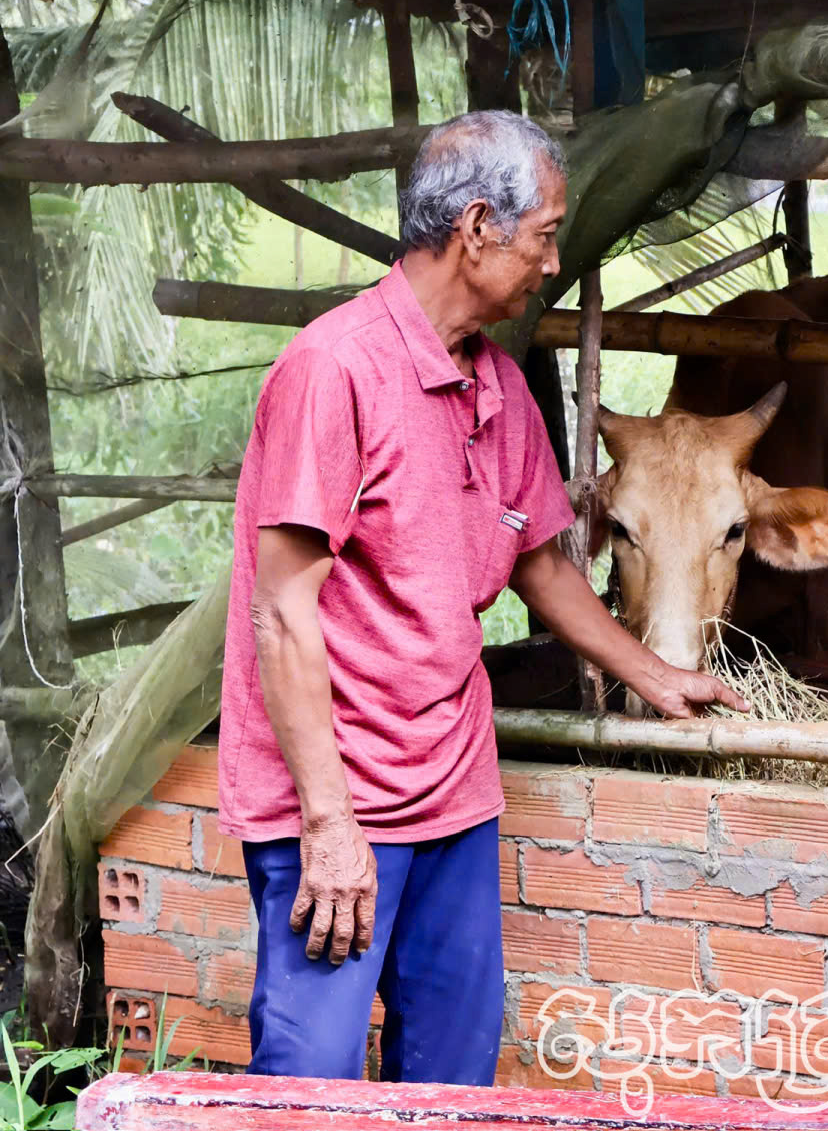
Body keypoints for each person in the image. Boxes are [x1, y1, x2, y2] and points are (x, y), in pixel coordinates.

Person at [216, 110, 745, 1085]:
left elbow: (544, 565)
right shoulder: (334, 370)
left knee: (453, 1072)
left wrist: (654, 674)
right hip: (338, 796)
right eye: (544, 234)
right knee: (310, 1078)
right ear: (476, 229)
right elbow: (280, 612)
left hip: (453, 788)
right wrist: (328, 823)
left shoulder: (497, 385)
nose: (553, 261)